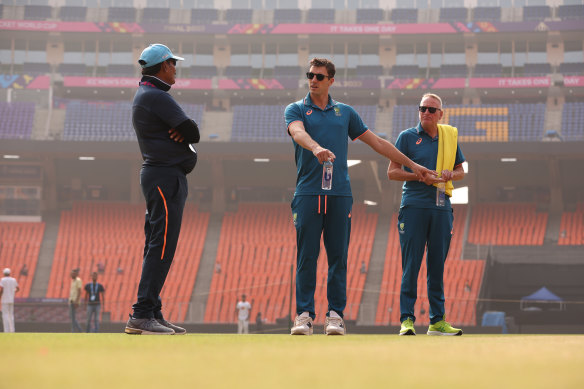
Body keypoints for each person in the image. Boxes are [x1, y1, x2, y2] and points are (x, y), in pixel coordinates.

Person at [285, 58, 434, 336]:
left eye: (319, 76)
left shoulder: (345, 113)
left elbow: (377, 142)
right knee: (307, 256)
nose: (313, 80)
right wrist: (316, 147)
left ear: (331, 80)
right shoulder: (296, 109)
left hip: (340, 194)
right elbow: (297, 132)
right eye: (310, 75)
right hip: (308, 192)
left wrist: (413, 166)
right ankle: (304, 316)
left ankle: (335, 316)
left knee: (338, 257)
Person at [125, 43, 200, 335]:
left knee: (158, 244)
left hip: (162, 176)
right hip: (165, 177)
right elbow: (193, 131)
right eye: (173, 63)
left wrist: (181, 130)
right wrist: (183, 130)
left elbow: (187, 131)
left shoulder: (148, 94)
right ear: (164, 66)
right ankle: (142, 313)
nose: (176, 68)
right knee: (161, 245)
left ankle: (152, 311)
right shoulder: (156, 96)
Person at [388, 93, 466, 336]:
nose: (426, 113)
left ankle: (437, 321)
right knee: (411, 265)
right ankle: (407, 320)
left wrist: (451, 175)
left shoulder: (449, 138)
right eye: (422, 108)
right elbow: (392, 173)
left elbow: (461, 170)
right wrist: (418, 175)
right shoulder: (407, 137)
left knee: (437, 266)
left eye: (432, 110)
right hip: (413, 206)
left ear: (441, 114)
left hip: (441, 207)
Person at [0, 268, 19, 332]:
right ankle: (12, 330)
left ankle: (6, 330)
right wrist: (13, 291)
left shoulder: (2, 280)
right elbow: (18, 288)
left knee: (5, 315)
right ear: (9, 273)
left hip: (5, 300)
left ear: (4, 273)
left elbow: (2, 289)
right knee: (11, 315)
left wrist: (0, 296)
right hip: (11, 300)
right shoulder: (13, 280)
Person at [68, 268, 83, 333]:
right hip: (71, 301)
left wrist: (77, 301)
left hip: (74, 301)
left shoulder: (78, 280)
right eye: (71, 273)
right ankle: (79, 329)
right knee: (72, 316)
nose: (71, 274)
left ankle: (74, 330)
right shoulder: (73, 281)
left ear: (76, 274)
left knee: (72, 317)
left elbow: (79, 291)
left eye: (73, 273)